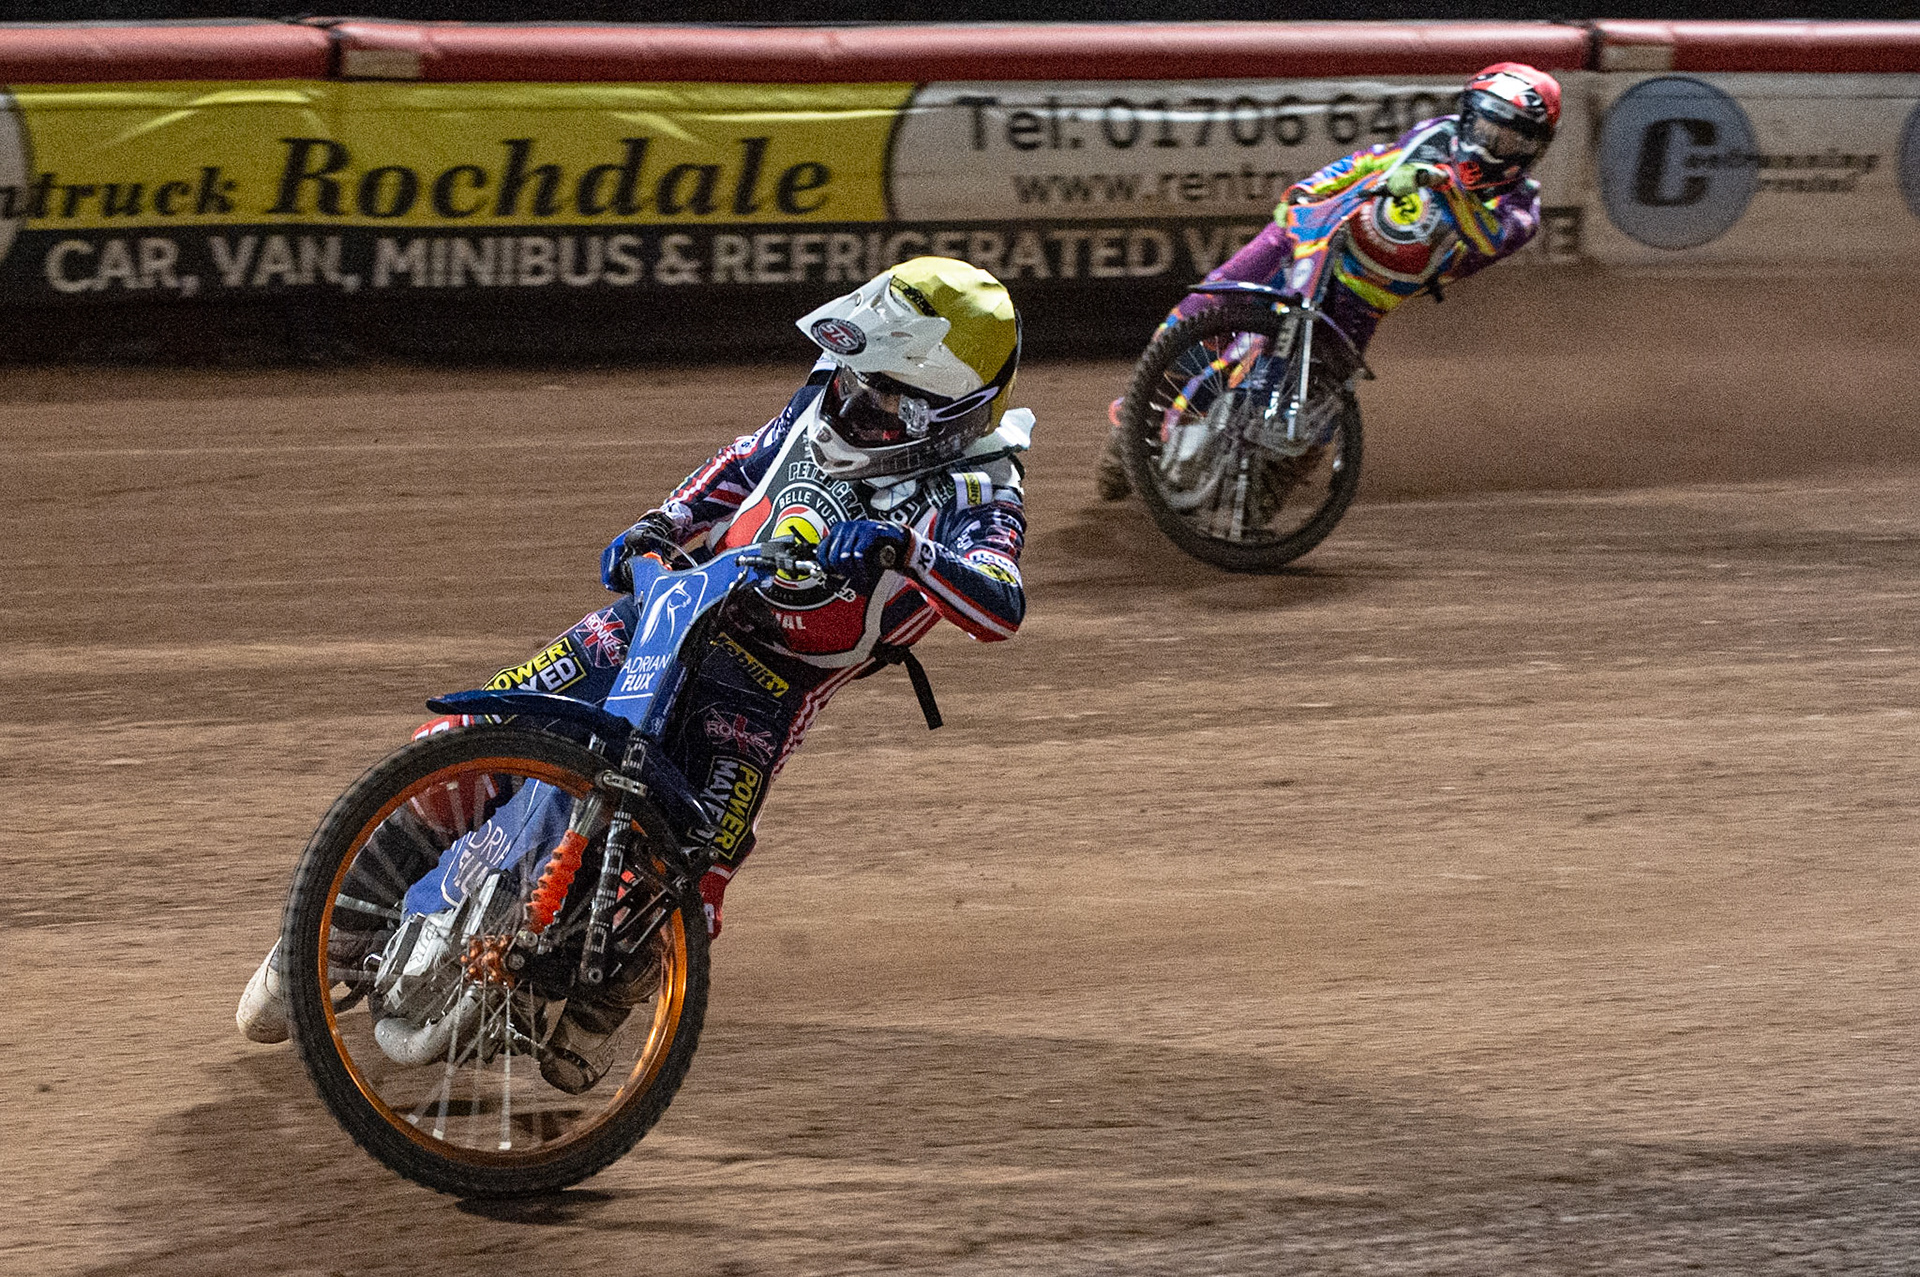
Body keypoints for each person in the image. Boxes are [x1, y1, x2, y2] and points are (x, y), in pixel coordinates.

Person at [238, 257, 1033, 1087]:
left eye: (886, 389)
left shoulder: (983, 484)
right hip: (671, 608)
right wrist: (663, 522)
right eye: (859, 373)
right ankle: (330, 933)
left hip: (768, 685)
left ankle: (600, 1010)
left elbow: (1002, 603)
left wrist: (910, 548)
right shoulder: (826, 392)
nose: (855, 397)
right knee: (481, 733)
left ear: (949, 409)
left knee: (699, 870)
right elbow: (748, 459)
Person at [1096, 61, 1560, 499]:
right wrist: (1309, 188)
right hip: (1314, 233)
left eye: (1510, 141)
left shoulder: (1523, 207)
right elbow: (1370, 162)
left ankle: (1259, 503)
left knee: (1314, 411)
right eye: (1486, 130)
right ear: (1467, 118)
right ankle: (1132, 432)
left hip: (1366, 292)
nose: (1492, 145)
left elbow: (1484, 237)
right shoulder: (1436, 134)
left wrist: (1445, 185)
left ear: (1534, 149)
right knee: (1202, 316)